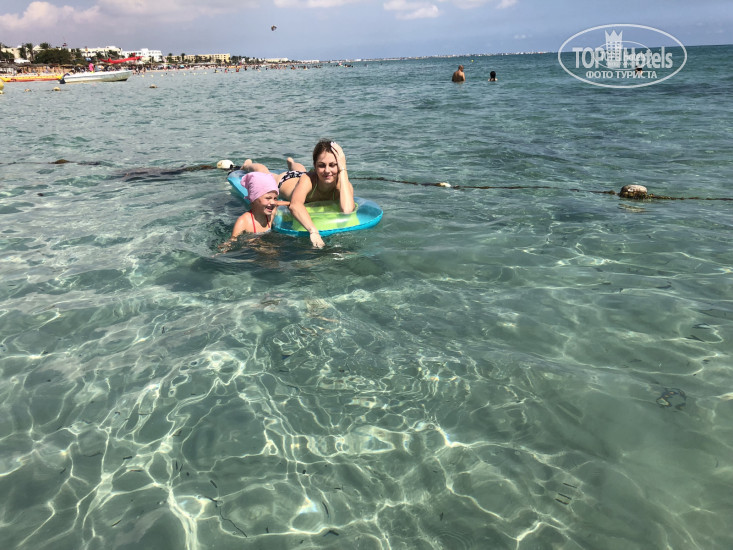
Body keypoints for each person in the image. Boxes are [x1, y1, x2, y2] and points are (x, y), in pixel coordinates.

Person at [239, 140, 355, 248]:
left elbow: (347, 210)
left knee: (300, 170)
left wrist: (343, 169)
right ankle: (248, 165)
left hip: (301, 175)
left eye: (333, 165)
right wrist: (313, 231)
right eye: (321, 165)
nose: (327, 170)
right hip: (286, 180)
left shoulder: (343, 184)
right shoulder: (308, 180)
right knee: (264, 173)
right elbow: (295, 205)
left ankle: (291, 163)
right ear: (315, 166)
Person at [227, 172, 280, 241]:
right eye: (268, 198)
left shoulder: (271, 213)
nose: (273, 202)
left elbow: (279, 203)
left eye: (275, 198)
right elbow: (232, 241)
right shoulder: (243, 221)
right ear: (254, 199)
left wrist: (289, 203)